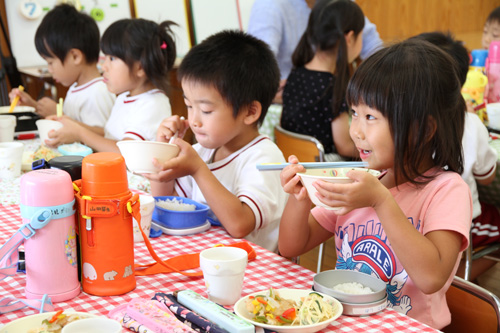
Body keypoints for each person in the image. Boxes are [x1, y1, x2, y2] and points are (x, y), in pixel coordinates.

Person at [278, 39, 472, 329]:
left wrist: (381, 201)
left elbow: (432, 278)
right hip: (345, 321)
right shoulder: (360, 181)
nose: (356, 131)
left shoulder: (447, 190)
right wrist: (300, 196)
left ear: (425, 129)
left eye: (371, 117)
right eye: (354, 113)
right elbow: (292, 244)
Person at [145, 30, 288, 252]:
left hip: (251, 273)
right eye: (189, 106)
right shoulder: (203, 151)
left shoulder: (264, 158)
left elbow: (240, 224)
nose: (193, 120)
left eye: (206, 110)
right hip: (207, 260)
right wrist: (164, 152)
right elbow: (164, 201)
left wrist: (198, 170)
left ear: (250, 112)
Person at [411, 32, 499, 281]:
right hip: (456, 221)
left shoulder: (404, 122)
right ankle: (458, 279)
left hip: (410, 215)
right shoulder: (470, 122)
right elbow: (486, 178)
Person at [45, 18, 177, 153]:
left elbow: (125, 152)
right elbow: (109, 136)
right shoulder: (124, 97)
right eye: (105, 57)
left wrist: (80, 133)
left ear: (140, 67)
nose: (104, 66)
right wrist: (73, 125)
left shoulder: (152, 104)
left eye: (112, 58)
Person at [247, 0, 383, 100]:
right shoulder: (269, 6)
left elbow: (371, 42)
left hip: (307, 96)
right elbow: (256, 66)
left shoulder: (339, 5)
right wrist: (274, 92)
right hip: (280, 102)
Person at [9, 4, 115, 132]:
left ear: (75, 57)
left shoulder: (97, 93)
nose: (50, 69)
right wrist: (34, 106)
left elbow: (104, 136)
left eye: (51, 62)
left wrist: (61, 117)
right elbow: (76, 121)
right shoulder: (78, 87)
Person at [280, 0, 362, 161]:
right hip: (323, 166)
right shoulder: (333, 87)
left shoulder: (296, 74)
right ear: (350, 38)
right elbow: (344, 146)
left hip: (293, 162)